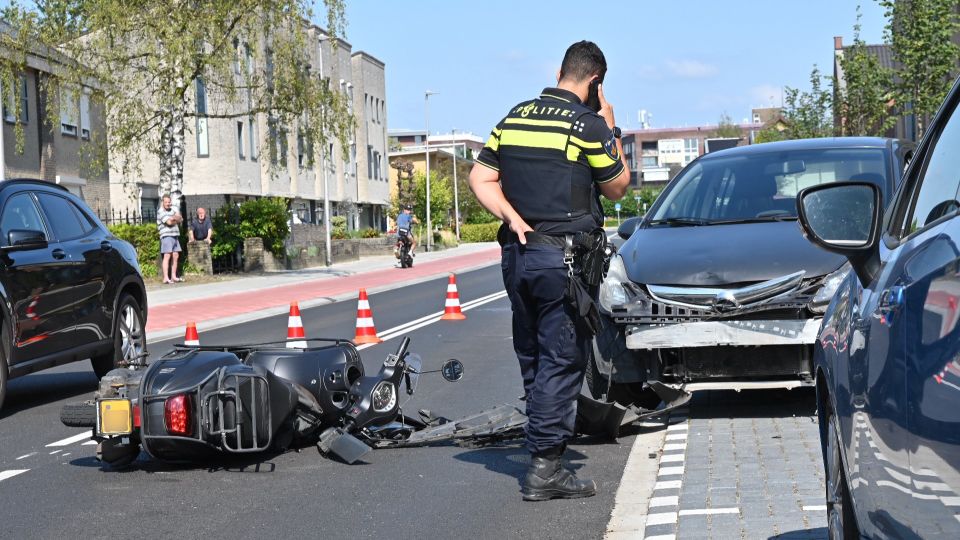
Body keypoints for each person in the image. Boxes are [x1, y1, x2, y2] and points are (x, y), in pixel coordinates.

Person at [468, 40, 630, 501]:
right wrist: (611, 127)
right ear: (595, 82)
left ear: (560, 72)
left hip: (517, 256)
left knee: (534, 355)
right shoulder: (588, 124)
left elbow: (480, 178)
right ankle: (545, 468)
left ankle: (541, 441)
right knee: (562, 359)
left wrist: (511, 218)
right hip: (563, 261)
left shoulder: (514, 116)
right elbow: (617, 187)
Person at [157, 195, 184, 284]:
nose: (168, 204)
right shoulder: (161, 211)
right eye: (166, 202)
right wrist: (175, 218)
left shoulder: (173, 210)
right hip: (166, 236)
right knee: (167, 255)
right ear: (163, 202)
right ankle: (165, 278)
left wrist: (174, 218)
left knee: (175, 255)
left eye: (169, 202)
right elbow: (169, 222)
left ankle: (173, 277)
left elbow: (181, 218)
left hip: (175, 235)